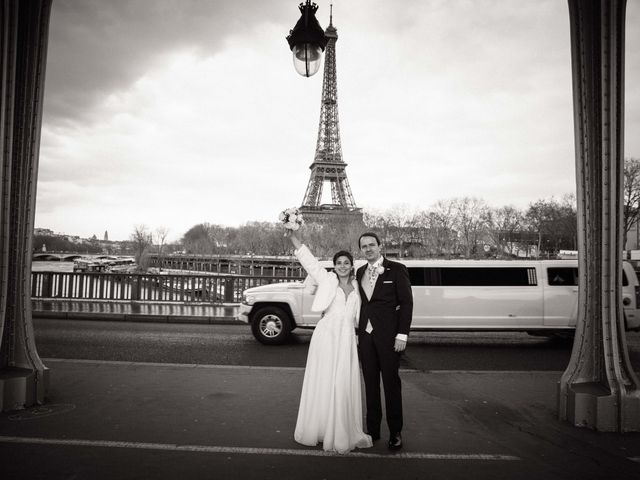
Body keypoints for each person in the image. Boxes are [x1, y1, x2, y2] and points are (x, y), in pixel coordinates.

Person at [286, 229, 373, 454]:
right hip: (326, 336)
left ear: (351, 265)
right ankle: (322, 428)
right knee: (324, 381)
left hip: (346, 338)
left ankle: (341, 429)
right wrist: (293, 237)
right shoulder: (327, 280)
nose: (342, 265)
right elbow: (310, 262)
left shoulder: (358, 286)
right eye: (339, 263)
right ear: (334, 266)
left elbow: (368, 313)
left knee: (342, 382)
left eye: (346, 262)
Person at [356, 232, 413, 450]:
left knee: (391, 384)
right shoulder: (360, 271)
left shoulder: (397, 269)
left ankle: (395, 431)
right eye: (364, 246)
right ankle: (373, 429)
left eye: (372, 245)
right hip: (366, 337)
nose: (368, 249)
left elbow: (406, 303)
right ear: (360, 250)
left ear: (380, 246)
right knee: (370, 384)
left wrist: (402, 334)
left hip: (390, 337)